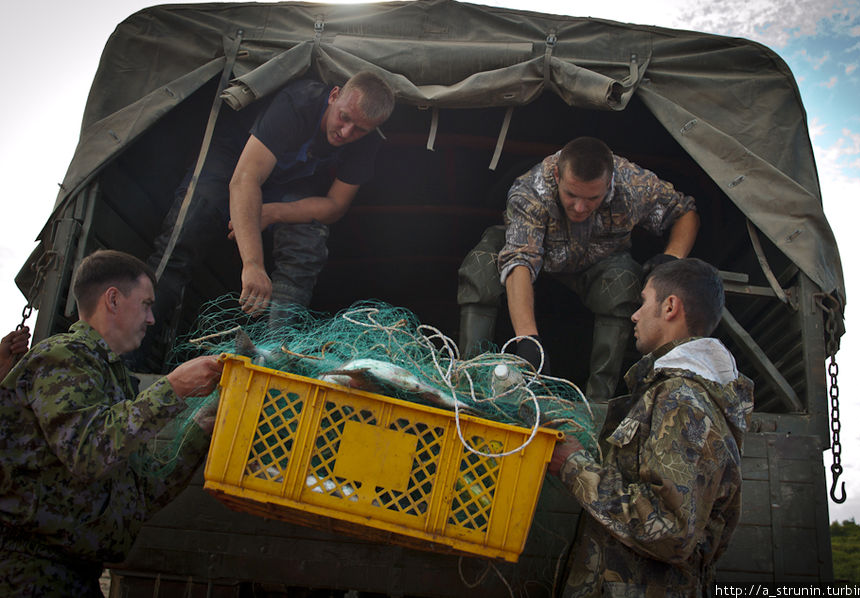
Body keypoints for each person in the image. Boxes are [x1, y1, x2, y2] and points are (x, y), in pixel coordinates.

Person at [0, 250, 224, 596]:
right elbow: (88, 452)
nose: (151, 319)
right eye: (146, 304)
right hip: (28, 573)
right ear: (114, 300)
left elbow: (145, 492)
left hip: (73, 575)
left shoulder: (113, 378)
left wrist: (202, 426)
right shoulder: (62, 356)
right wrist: (173, 388)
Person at [139, 70, 396, 368]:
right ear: (334, 95)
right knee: (189, 226)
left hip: (288, 181)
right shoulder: (297, 103)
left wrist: (272, 212)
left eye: (360, 129)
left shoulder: (367, 142)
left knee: (307, 241)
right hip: (235, 159)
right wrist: (253, 265)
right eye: (344, 117)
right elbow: (245, 179)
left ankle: (274, 361)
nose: (346, 132)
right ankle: (135, 349)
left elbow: (335, 206)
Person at [548, 258, 754, 597]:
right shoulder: (682, 391)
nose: (634, 314)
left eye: (643, 301)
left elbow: (669, 529)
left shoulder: (681, 398)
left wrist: (573, 467)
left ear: (670, 306)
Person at [457, 136, 700, 406]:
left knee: (624, 282)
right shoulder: (531, 189)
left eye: (592, 198)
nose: (580, 207)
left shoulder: (633, 184)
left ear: (609, 184)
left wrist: (673, 257)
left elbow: (684, 212)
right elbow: (520, 261)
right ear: (558, 176)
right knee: (480, 264)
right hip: (538, 253)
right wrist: (528, 340)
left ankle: (598, 404)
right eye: (571, 195)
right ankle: (470, 383)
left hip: (599, 261)